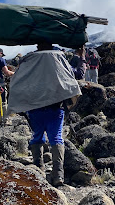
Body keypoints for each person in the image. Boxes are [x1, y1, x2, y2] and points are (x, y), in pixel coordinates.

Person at [7, 42, 81, 186]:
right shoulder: (58, 58)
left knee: (37, 136)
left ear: (37, 46)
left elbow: (17, 79)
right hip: (56, 107)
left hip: (35, 108)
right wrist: (82, 57)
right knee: (56, 137)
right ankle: (58, 174)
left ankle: (38, 168)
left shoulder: (29, 59)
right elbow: (76, 74)